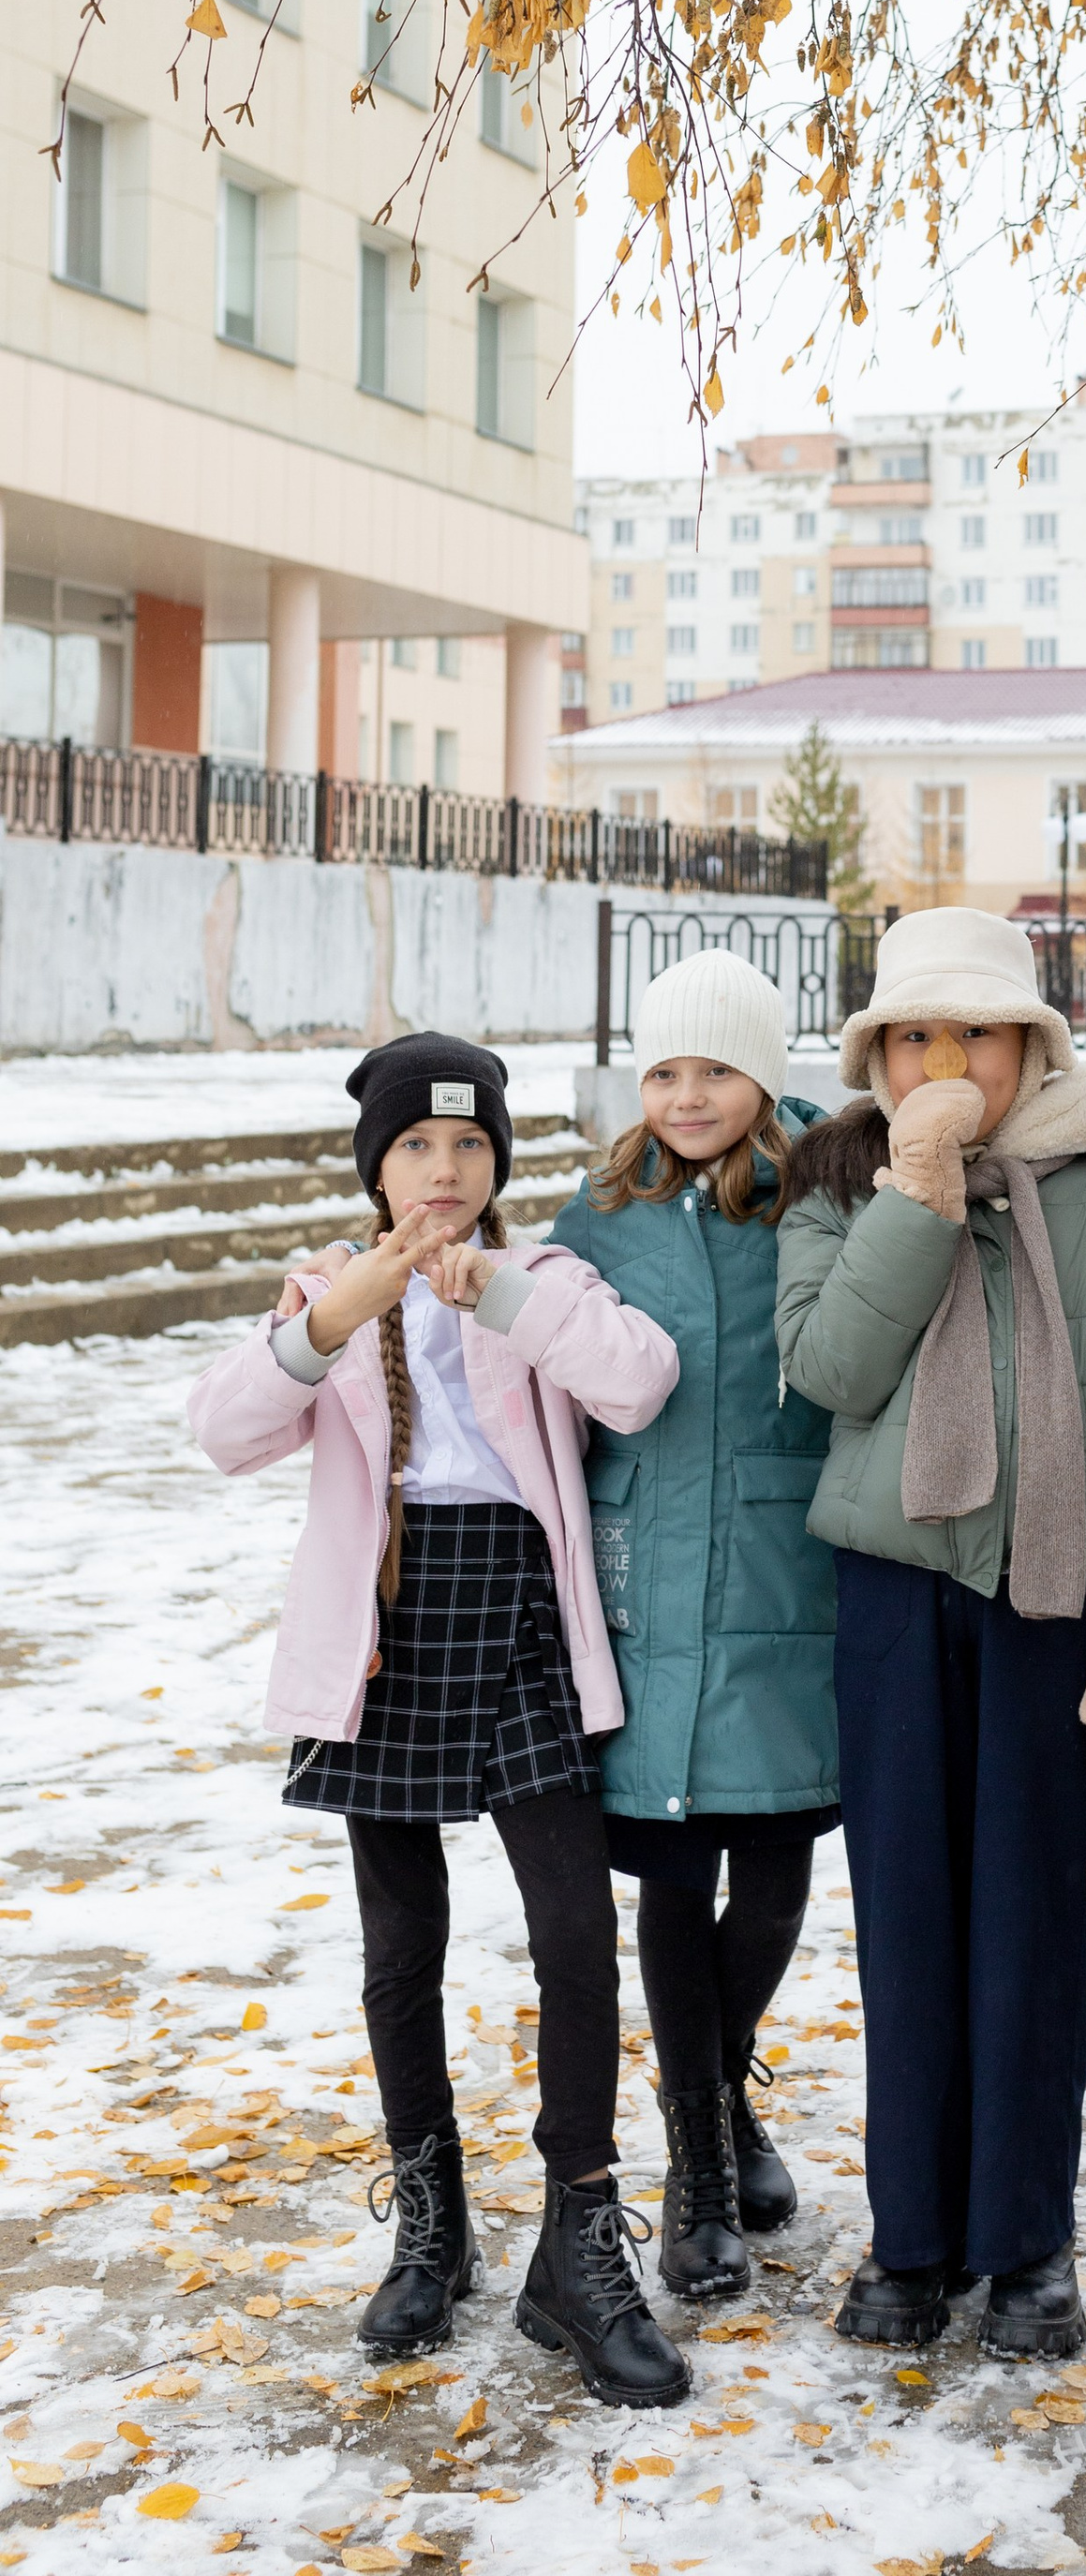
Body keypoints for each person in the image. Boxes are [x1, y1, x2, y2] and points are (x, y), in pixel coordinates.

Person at [187, 1033, 691, 2409]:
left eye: (469, 1147)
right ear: (378, 1164)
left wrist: (512, 1298)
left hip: (523, 1625)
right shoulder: (327, 1290)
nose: (444, 1172)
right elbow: (222, 1433)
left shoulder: (549, 1281)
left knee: (575, 1936)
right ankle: (432, 2218)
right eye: (416, 1147)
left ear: (498, 1164)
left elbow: (638, 1382)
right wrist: (336, 1314)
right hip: (389, 1635)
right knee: (401, 1943)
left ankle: (579, 2239)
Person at [775, 906, 1086, 2362]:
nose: (945, 1059)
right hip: (896, 1611)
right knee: (908, 1931)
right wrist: (915, 1197)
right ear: (878, 1060)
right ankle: (912, 2239)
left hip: (1049, 1613)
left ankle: (1026, 2239)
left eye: (974, 1034)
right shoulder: (836, 1195)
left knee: (1032, 1930)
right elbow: (830, 1368)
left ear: (1031, 1049)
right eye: (914, 1036)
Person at [545, 953, 832, 2304]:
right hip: (642, 1579)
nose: (688, 1094)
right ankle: (702, 2166)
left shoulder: (823, 1194)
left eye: (715, 1068)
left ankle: (718, 2094)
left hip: (787, 1572)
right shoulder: (597, 1213)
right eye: (664, 1069)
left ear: (763, 1076)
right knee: (666, 1874)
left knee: (774, 1865)